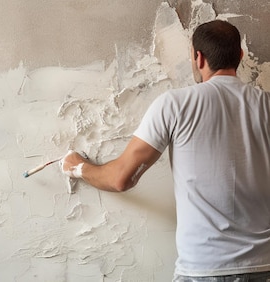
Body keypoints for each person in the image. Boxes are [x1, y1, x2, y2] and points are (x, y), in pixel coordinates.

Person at [61, 20, 270, 281]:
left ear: (198, 57)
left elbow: (121, 178)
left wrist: (77, 167)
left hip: (204, 269)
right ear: (240, 55)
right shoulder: (266, 106)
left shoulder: (175, 105)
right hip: (263, 266)